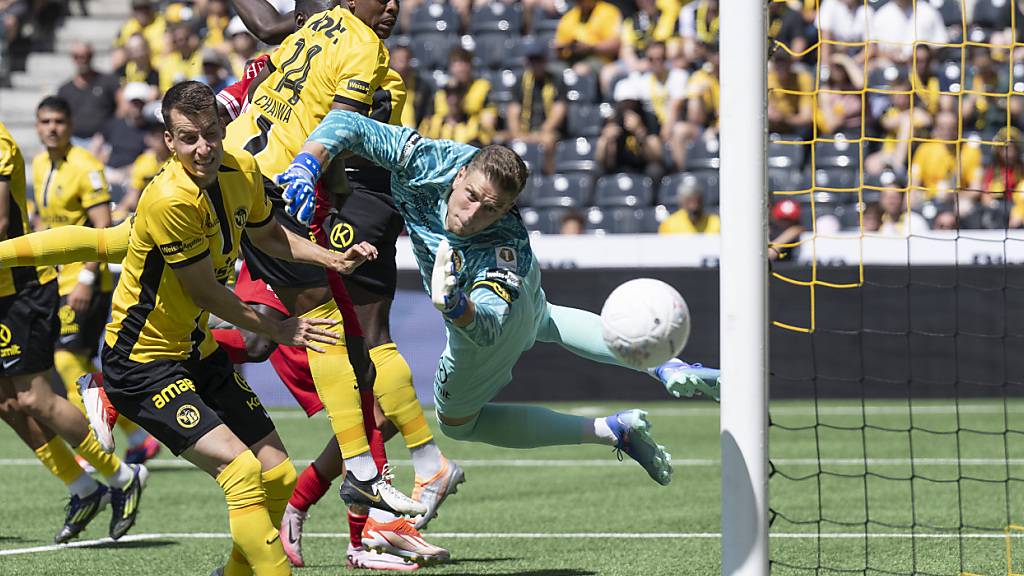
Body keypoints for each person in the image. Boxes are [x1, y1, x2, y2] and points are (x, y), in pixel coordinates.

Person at [278, 110, 722, 490]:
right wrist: (306, 164)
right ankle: (667, 365)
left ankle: (609, 431)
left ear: (507, 208)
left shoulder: (503, 246)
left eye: (490, 208)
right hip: (531, 302)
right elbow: (345, 122)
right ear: (460, 174)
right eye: (470, 197)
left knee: (458, 422)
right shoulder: (423, 157)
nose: (472, 216)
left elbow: (490, 325)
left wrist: (457, 307)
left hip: (493, 307)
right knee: (544, 319)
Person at [100, 80, 378, 576]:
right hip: (142, 363)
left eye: (210, 133)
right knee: (242, 469)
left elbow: (272, 235)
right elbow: (206, 293)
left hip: (197, 350)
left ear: (223, 127)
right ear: (169, 140)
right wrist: (282, 330)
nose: (203, 147)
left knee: (279, 472)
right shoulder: (169, 199)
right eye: (188, 138)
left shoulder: (240, 169)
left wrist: (331, 258)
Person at [0, 120, 146, 544]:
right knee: (8, 403)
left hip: (20, 288)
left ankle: (123, 475)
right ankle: (83, 488)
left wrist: (85, 275)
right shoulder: (44, 162)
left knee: (35, 397)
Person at [31, 96, 160, 464]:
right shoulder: (40, 164)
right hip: (54, 281)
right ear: (37, 126)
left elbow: (102, 226)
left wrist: (87, 276)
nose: (51, 128)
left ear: (71, 124)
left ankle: (91, 444)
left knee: (67, 361)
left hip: (85, 281)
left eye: (58, 121)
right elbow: (45, 222)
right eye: (45, 122)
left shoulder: (86, 167)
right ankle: (137, 438)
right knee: (79, 364)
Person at [57, 42, 120, 148]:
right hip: (72, 140)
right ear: (72, 58)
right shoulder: (64, 90)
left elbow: (123, 106)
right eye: (77, 56)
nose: (82, 60)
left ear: (92, 56)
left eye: (86, 56)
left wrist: (107, 133)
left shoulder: (108, 81)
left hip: (103, 140)